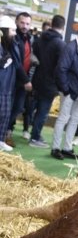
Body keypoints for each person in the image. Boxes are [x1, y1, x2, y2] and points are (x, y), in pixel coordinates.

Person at [51, 23, 78, 160]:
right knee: (63, 118)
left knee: (75, 119)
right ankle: (55, 148)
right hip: (70, 92)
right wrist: (66, 90)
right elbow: (60, 69)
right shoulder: (70, 48)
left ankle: (67, 148)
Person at [29, 15, 65, 148]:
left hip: (36, 78)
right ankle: (35, 137)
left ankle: (31, 133)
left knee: (33, 108)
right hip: (50, 82)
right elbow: (61, 66)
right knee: (43, 112)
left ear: (51, 23)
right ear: (63, 27)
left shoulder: (39, 39)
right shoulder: (60, 44)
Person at [6, 12, 34, 146]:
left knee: (17, 108)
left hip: (23, 81)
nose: (24, 26)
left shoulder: (28, 38)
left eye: (27, 23)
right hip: (13, 80)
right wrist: (26, 80)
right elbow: (16, 62)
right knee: (8, 109)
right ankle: (4, 134)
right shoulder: (13, 38)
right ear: (16, 22)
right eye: (22, 22)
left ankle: (5, 132)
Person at [0, 16, 18, 152]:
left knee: (5, 115)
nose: (15, 33)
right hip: (1, 86)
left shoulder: (9, 46)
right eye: (12, 30)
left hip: (7, 86)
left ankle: (1, 140)